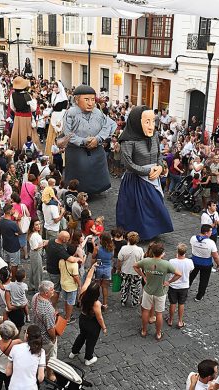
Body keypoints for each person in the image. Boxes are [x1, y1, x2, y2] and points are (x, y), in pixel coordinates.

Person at [116, 105, 174, 240]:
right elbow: (129, 164)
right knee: (137, 209)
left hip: (153, 177)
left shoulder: (154, 136)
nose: (151, 126)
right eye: (147, 122)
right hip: (136, 181)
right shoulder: (128, 140)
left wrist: (159, 167)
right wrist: (148, 170)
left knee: (155, 205)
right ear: (137, 121)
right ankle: (140, 233)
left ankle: (154, 230)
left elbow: (159, 155)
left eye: (153, 121)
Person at [62, 84, 113, 194]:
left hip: (96, 147)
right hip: (77, 149)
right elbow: (68, 133)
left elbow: (107, 126)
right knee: (81, 169)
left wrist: (98, 139)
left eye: (93, 99)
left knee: (98, 168)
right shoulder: (70, 113)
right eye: (86, 99)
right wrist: (83, 141)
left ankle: (98, 189)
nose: (90, 103)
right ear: (76, 100)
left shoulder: (98, 112)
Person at [133, 242, 181, 341]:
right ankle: (158, 333)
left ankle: (144, 330)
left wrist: (143, 276)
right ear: (162, 253)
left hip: (148, 290)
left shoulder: (146, 261)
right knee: (159, 313)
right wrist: (169, 282)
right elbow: (179, 274)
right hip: (160, 292)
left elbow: (135, 266)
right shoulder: (166, 264)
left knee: (145, 310)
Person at [69, 264, 107, 366]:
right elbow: (99, 317)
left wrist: (93, 267)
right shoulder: (96, 304)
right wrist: (104, 328)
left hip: (82, 318)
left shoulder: (83, 292)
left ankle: (74, 352)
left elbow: (88, 278)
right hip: (92, 324)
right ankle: (88, 358)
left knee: (82, 335)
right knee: (91, 341)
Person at [45, 231, 81, 307]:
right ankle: (52, 307)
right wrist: (79, 259)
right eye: (67, 239)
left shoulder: (52, 241)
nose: (68, 240)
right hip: (55, 271)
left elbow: (46, 242)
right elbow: (71, 259)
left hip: (49, 267)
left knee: (52, 287)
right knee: (56, 291)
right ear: (63, 239)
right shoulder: (60, 249)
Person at [31, 281, 58, 381]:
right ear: (46, 293)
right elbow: (50, 329)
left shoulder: (35, 296)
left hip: (36, 331)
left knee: (38, 353)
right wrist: (53, 338)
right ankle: (49, 374)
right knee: (49, 357)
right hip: (45, 339)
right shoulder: (48, 310)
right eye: (52, 290)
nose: (53, 291)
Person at [5, 325, 46, 390]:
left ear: (27, 335)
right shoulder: (41, 352)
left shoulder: (15, 348)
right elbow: (40, 378)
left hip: (14, 387)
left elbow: (8, 373)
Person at [189, 224, 219, 302]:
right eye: (210, 231)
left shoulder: (193, 238)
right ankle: (199, 296)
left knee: (190, 277)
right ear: (206, 233)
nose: (211, 232)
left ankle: (185, 290)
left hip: (194, 262)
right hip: (206, 264)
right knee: (204, 280)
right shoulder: (210, 243)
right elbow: (215, 256)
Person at [167, 243, 194, 329]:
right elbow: (190, 271)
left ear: (177, 251)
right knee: (181, 303)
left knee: (172, 303)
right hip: (184, 286)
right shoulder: (189, 262)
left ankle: (170, 320)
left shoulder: (171, 261)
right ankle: (180, 321)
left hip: (173, 286)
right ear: (185, 252)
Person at [117, 231, 144, 307]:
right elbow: (141, 261)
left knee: (124, 287)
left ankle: (123, 300)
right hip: (136, 272)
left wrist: (118, 269)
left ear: (128, 239)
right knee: (135, 288)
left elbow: (119, 260)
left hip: (125, 270)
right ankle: (135, 302)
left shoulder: (124, 248)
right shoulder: (140, 250)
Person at [91, 232, 114, 311]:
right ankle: (105, 304)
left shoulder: (97, 248)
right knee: (105, 287)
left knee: (96, 287)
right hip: (107, 269)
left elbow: (93, 256)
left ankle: (95, 302)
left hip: (99, 268)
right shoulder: (112, 248)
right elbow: (111, 258)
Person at [0, 204, 21, 278]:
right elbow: (20, 232)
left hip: (6, 246)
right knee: (14, 264)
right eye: (13, 209)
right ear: (9, 211)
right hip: (14, 247)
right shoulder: (12, 224)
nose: (14, 210)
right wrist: (18, 220)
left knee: (7, 263)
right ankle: (13, 279)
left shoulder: (1, 221)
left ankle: (7, 276)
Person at [28, 219, 46, 291]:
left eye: (39, 224)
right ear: (33, 226)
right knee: (38, 272)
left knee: (33, 270)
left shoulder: (34, 234)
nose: (39, 226)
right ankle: (38, 289)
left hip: (35, 253)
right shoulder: (34, 235)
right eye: (36, 225)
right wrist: (43, 244)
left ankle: (32, 285)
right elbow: (35, 247)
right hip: (36, 253)